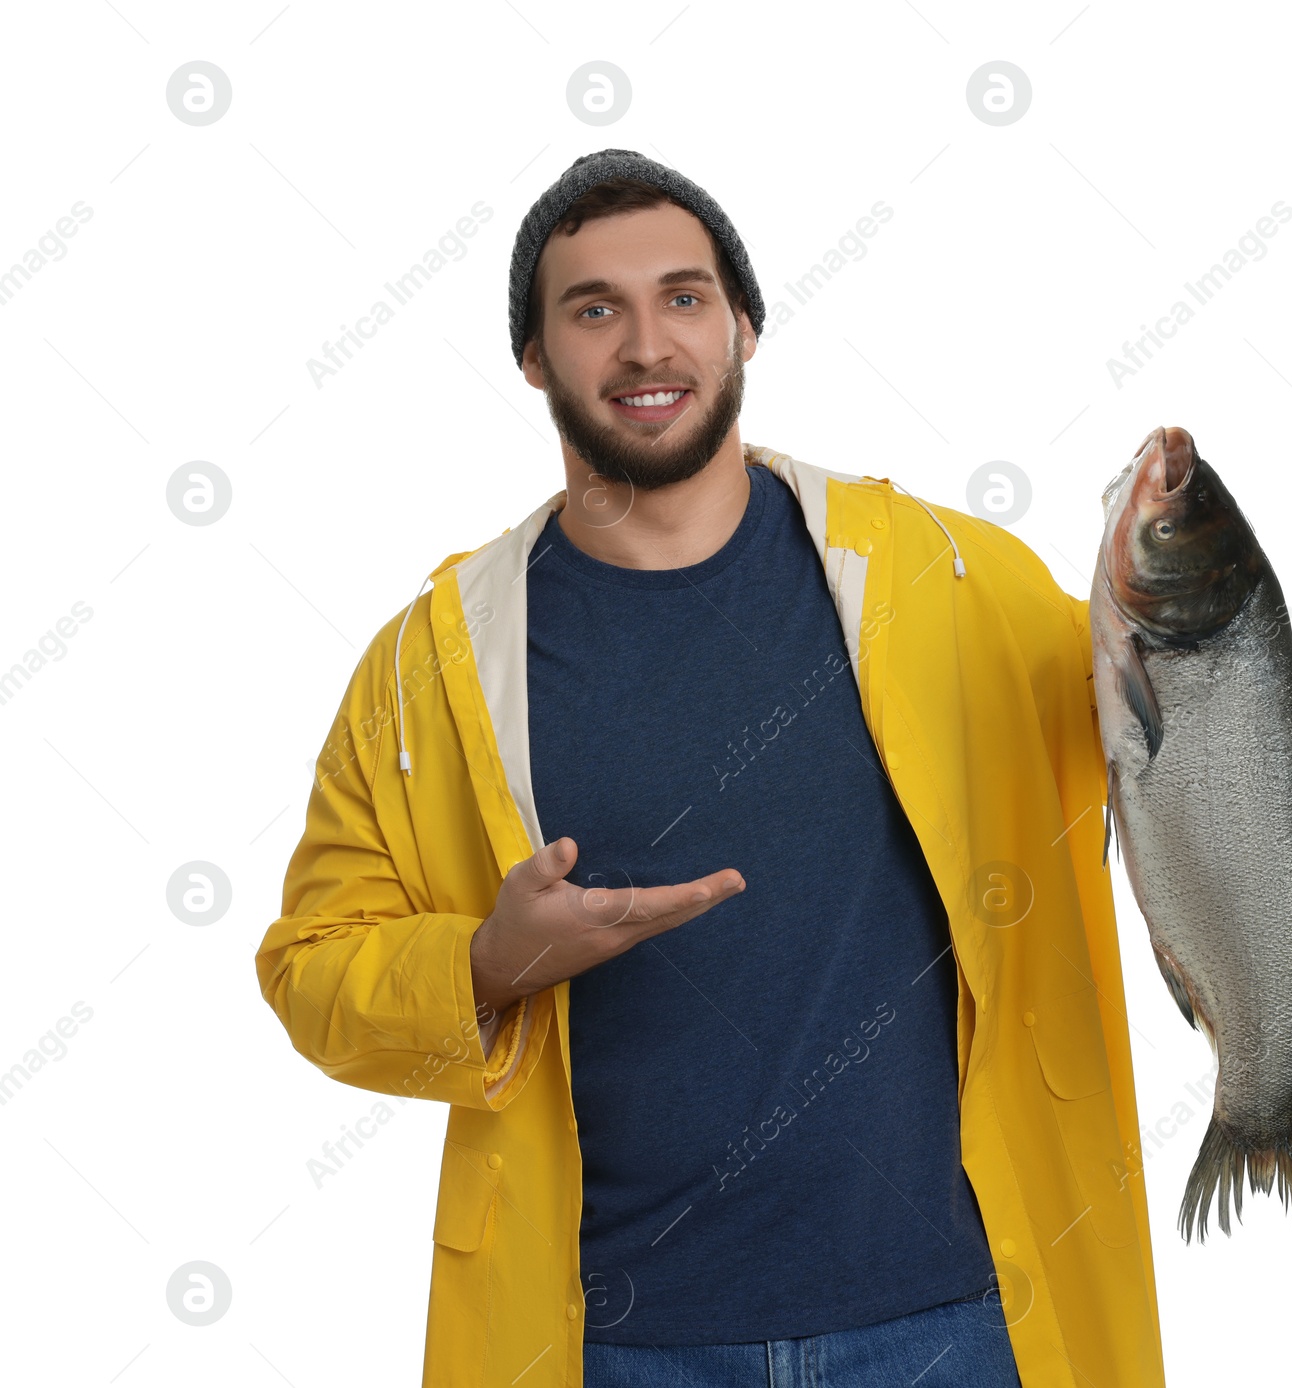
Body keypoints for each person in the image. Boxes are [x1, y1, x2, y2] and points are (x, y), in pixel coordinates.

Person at [255, 148, 1166, 1387]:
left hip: (952, 1325)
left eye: (683, 297)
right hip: (609, 1342)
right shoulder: (434, 663)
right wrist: (483, 962)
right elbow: (311, 969)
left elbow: (1176, 745)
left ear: (743, 323)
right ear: (532, 354)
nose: (646, 345)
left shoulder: (953, 585)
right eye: (594, 309)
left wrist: (1198, 592)